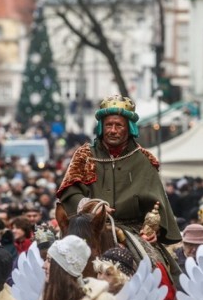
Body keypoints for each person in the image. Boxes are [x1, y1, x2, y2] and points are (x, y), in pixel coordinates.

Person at [56, 94, 182, 250]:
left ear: (129, 128)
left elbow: (156, 204)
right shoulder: (84, 155)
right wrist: (91, 206)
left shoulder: (144, 159)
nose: (113, 130)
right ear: (102, 127)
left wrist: (152, 229)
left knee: (162, 268)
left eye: (119, 125)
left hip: (132, 232)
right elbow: (69, 194)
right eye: (109, 125)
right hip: (89, 229)